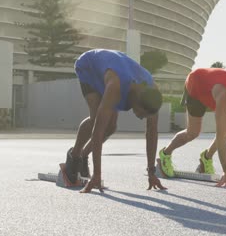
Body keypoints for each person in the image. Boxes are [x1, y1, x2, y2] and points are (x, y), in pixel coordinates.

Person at [65, 49, 166, 193]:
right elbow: (97, 132)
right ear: (136, 100)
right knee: (97, 120)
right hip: (90, 66)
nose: (141, 117)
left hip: (113, 68)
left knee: (111, 127)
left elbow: (152, 132)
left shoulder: (152, 91)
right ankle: (74, 157)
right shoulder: (116, 86)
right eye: (140, 113)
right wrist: (97, 175)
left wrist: (151, 172)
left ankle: (83, 155)